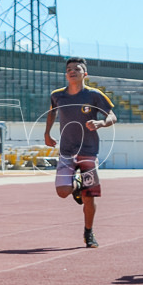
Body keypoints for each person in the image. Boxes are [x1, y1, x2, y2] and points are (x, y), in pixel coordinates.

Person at [44, 57, 116, 249]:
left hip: (88, 152)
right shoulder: (57, 95)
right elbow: (52, 112)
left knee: (89, 196)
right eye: (69, 69)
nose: (72, 71)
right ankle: (76, 186)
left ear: (85, 74)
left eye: (77, 68)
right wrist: (47, 133)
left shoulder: (94, 95)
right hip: (66, 151)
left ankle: (89, 232)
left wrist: (101, 123)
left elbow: (112, 115)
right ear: (66, 74)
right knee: (62, 192)